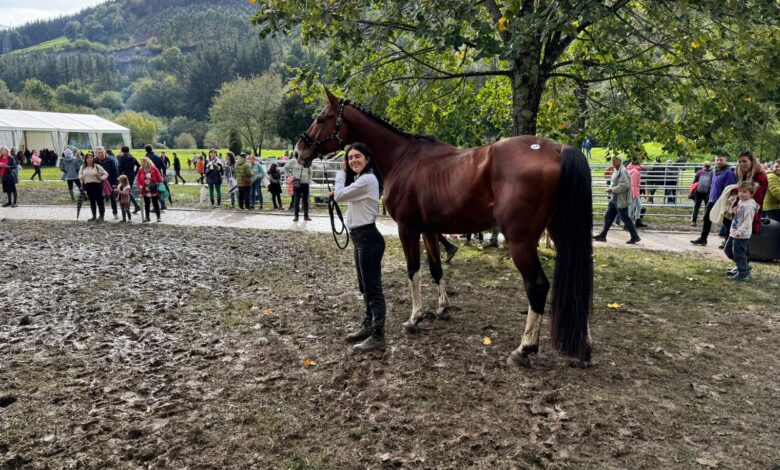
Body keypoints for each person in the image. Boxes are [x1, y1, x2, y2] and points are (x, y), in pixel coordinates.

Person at [332, 142, 387, 352]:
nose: (353, 160)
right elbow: (345, 195)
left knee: (373, 290)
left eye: (357, 157)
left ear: (367, 159)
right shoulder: (361, 180)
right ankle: (369, 326)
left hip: (368, 239)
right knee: (365, 287)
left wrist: (340, 173)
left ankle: (378, 335)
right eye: (350, 157)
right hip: (360, 238)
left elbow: (339, 195)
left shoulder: (367, 179)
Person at [691, 153, 737, 246]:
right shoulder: (714, 171)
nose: (719, 162)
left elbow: (729, 188)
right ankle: (703, 238)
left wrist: (725, 201)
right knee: (707, 218)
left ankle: (728, 241)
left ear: (725, 160)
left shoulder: (728, 172)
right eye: (717, 160)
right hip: (712, 199)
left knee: (726, 221)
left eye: (721, 160)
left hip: (722, 200)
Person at [593, 155, 641, 244]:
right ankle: (603, 235)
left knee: (626, 218)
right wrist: (611, 188)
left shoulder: (622, 171)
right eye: (612, 160)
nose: (613, 162)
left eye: (615, 160)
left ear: (619, 161)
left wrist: (612, 189)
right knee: (608, 216)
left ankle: (635, 236)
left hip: (621, 199)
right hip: (614, 198)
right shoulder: (616, 170)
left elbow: (624, 185)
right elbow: (614, 182)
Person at [724, 182, 760, 282]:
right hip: (734, 231)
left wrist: (740, 231)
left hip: (741, 234)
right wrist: (736, 211)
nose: (741, 194)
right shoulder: (741, 202)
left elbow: (748, 222)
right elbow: (740, 216)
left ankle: (743, 274)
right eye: (740, 191)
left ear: (751, 193)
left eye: (744, 192)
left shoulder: (749, 206)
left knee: (739, 254)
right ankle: (744, 266)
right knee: (728, 250)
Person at [79, 152, 108, 222]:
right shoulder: (82, 167)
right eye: (88, 158)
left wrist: (101, 178)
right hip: (88, 186)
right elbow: (80, 175)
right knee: (92, 201)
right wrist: (81, 178)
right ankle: (94, 216)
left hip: (97, 185)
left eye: (91, 158)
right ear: (85, 159)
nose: (89, 159)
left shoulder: (97, 166)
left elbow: (106, 174)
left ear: (93, 159)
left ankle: (101, 216)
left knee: (100, 201)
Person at [95, 147, 120, 220]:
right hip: (99, 182)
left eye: (101, 152)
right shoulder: (95, 161)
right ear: (96, 153)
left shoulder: (110, 161)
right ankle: (101, 215)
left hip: (110, 182)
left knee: (113, 199)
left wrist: (115, 183)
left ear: (104, 152)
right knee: (100, 199)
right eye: (98, 153)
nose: (100, 154)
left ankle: (115, 213)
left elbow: (115, 172)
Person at [285, 157, 313, 221]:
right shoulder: (293, 161)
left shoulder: (307, 161)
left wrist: (309, 180)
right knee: (296, 200)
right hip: (296, 183)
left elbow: (310, 172)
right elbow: (285, 168)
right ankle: (296, 216)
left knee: (306, 200)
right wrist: (290, 176)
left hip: (305, 183)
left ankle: (306, 216)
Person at [116, 146, 143, 214]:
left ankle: (133, 206)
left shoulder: (121, 158)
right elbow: (139, 166)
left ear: (122, 151)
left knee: (126, 191)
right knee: (128, 190)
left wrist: (119, 176)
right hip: (131, 176)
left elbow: (119, 168)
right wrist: (135, 172)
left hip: (124, 176)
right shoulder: (132, 158)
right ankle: (132, 206)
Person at [136, 157, 163, 223]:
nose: (141, 164)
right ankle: (147, 217)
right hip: (145, 189)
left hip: (153, 188)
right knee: (147, 203)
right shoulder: (141, 170)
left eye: (142, 162)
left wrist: (158, 185)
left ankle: (158, 217)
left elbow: (160, 179)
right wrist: (139, 185)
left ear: (146, 162)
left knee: (155, 203)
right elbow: (138, 179)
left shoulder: (154, 169)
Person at [691, 161, 713, 226]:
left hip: (698, 191)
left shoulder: (699, 172)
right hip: (707, 191)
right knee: (707, 206)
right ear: (710, 166)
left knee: (696, 206)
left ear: (703, 165)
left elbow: (694, 182)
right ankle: (705, 220)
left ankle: (694, 221)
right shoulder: (712, 173)